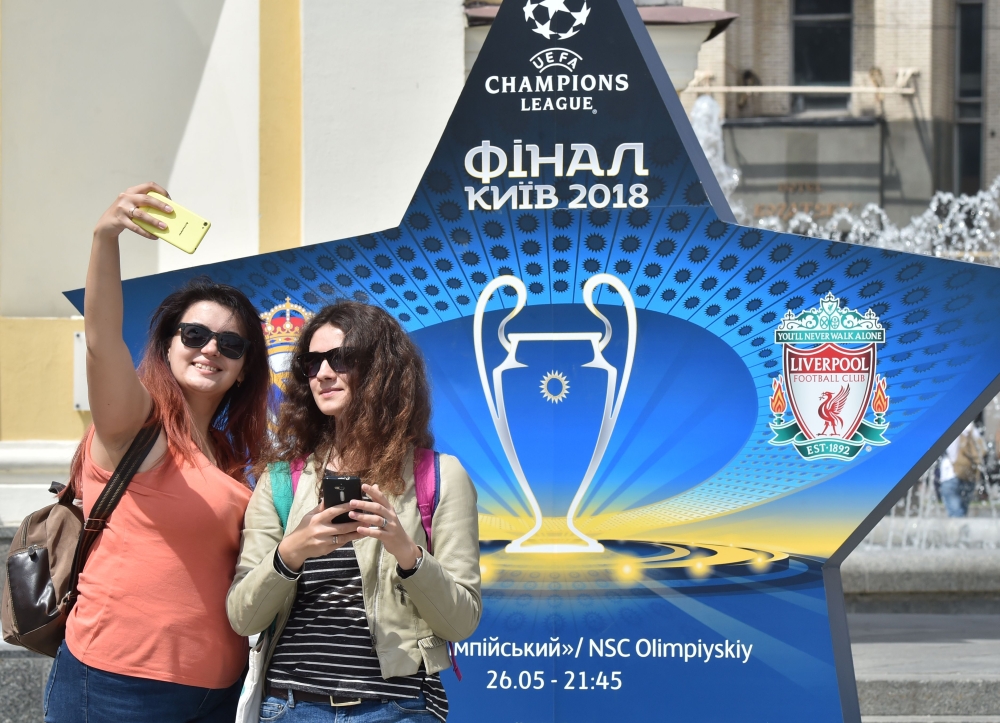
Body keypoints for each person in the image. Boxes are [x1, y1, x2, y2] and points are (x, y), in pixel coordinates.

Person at [44, 183, 272, 723]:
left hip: (217, 691)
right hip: (118, 684)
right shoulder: (133, 425)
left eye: (232, 344)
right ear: (167, 344)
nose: (211, 348)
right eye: (194, 334)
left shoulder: (229, 455)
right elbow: (101, 342)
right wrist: (106, 238)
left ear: (243, 371)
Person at [227, 301, 481, 722]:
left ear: (382, 369)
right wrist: (292, 553)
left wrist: (407, 553)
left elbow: (460, 623)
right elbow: (242, 617)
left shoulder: (438, 476)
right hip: (291, 708)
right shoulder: (280, 482)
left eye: (340, 359)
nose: (323, 374)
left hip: (398, 709)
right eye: (312, 363)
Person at [939, 422, 986, 517]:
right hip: (968, 475)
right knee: (962, 513)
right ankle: (964, 531)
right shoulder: (972, 428)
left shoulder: (951, 426)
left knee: (955, 515)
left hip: (950, 474)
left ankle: (959, 531)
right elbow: (983, 449)